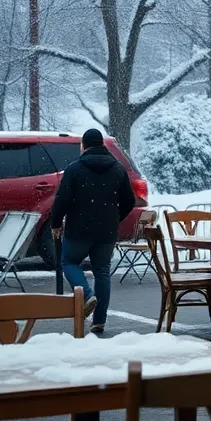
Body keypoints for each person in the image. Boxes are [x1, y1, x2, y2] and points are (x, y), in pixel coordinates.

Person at [50, 128, 137, 335]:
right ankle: (99, 321)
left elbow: (61, 200)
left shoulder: (74, 169)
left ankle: (87, 295)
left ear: (84, 146)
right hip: (106, 232)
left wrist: (55, 223)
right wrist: (115, 218)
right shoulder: (117, 169)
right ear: (103, 145)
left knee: (68, 262)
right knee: (102, 271)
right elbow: (129, 200)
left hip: (79, 229)